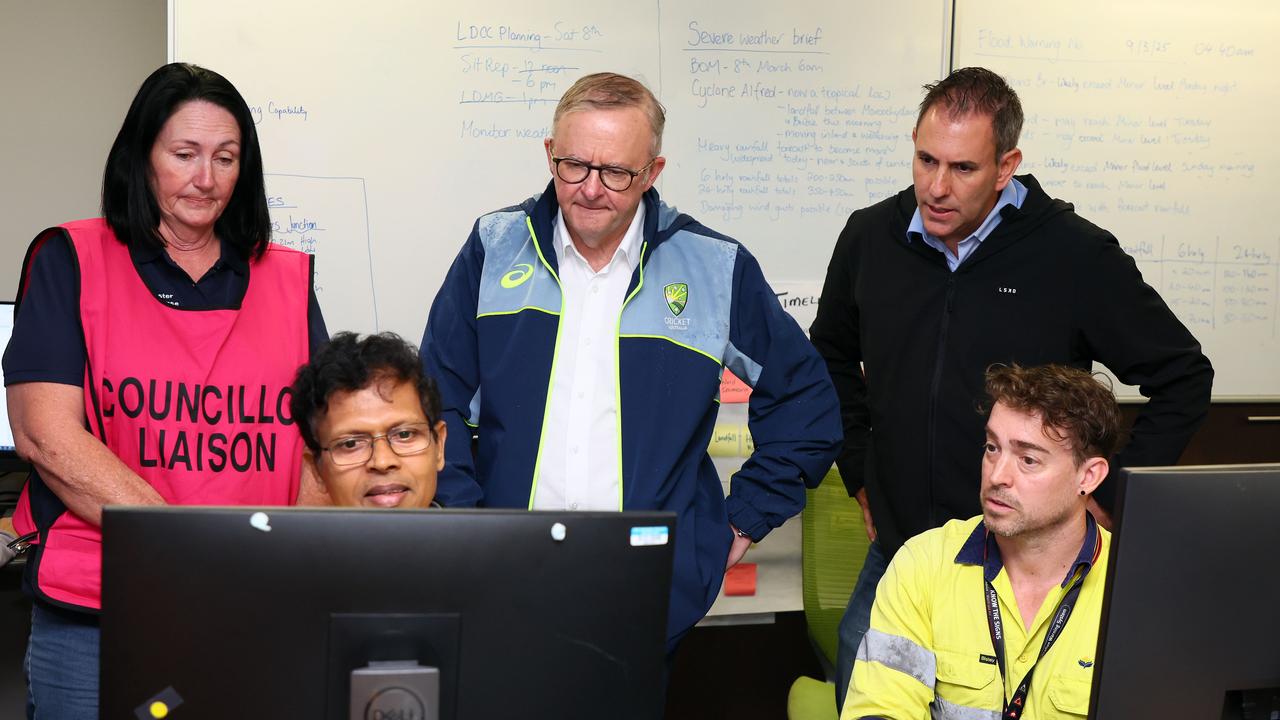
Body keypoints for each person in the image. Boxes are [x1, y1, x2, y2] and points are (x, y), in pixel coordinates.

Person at [809, 66, 1214, 708]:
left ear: (1006, 166)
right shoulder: (870, 238)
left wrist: (1114, 492)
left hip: (1033, 573)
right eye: (924, 159)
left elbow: (1184, 375)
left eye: (963, 169)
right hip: (902, 562)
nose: (935, 188)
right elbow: (828, 355)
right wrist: (860, 467)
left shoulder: (1074, 255)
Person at [420, 72, 842, 647]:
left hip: (646, 588)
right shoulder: (493, 248)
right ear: (550, 155)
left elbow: (806, 402)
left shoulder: (713, 267)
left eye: (617, 172)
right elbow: (434, 402)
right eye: (575, 165)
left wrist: (739, 520)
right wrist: (464, 528)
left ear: (652, 173)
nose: (592, 189)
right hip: (503, 579)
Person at [2, 63, 327, 719]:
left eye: (225, 157)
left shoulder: (288, 279)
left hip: (247, 610)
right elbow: (45, 434)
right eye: (184, 154)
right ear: (142, 158)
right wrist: (185, 551)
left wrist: (286, 570)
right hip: (97, 611)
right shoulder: (71, 259)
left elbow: (320, 444)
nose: (205, 179)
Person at [842, 363, 1122, 719]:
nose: (997, 475)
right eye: (992, 448)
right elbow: (879, 709)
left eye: (1028, 459)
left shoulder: (1134, 588)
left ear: (1089, 475)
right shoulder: (923, 565)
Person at [291, 332, 445, 509]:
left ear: (439, 446)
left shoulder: (479, 537)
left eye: (404, 434)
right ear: (317, 470)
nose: (382, 462)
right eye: (351, 444)